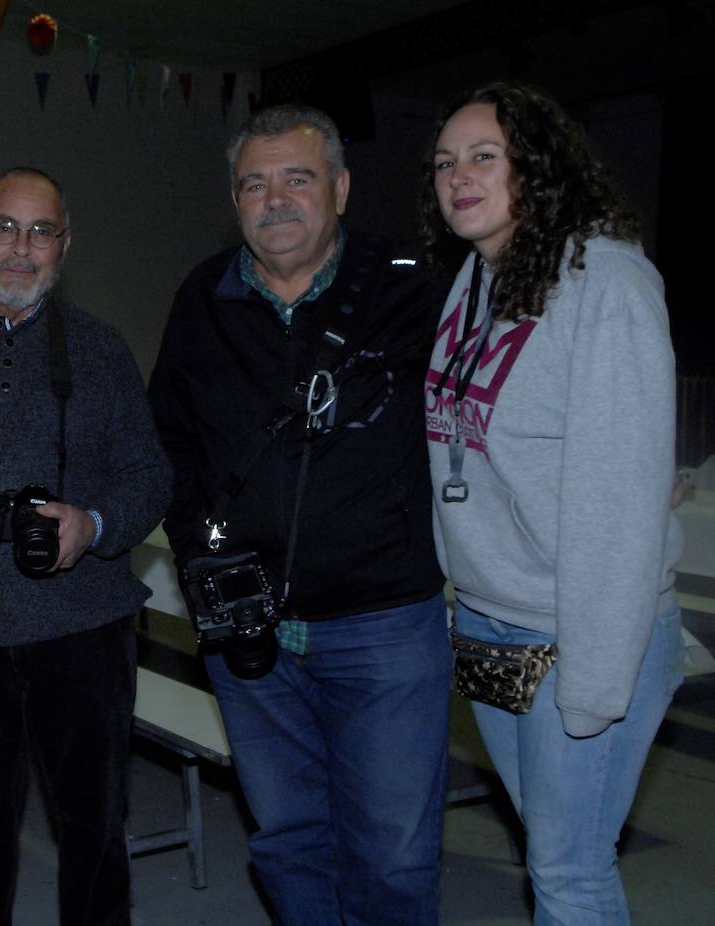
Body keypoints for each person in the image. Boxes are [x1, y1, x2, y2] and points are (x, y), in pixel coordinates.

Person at [148, 104, 452, 925]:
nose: (275, 199)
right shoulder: (203, 297)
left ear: (341, 189)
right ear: (235, 199)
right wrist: (199, 553)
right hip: (250, 636)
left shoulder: (409, 293)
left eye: (298, 178)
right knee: (286, 841)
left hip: (385, 625)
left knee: (390, 854)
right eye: (255, 182)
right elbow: (168, 443)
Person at [423, 81, 684, 924]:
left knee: (569, 870)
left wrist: (595, 686)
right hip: (496, 623)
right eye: (444, 163)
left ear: (538, 167)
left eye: (484, 157)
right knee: (553, 846)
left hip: (583, 633)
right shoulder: (478, 279)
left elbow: (621, 503)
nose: (458, 177)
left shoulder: (605, 285)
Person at [0, 167, 169, 926]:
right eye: (6, 228)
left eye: (41, 231)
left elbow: (150, 473)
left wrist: (95, 524)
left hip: (86, 626)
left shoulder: (103, 349)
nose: (22, 248)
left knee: (94, 826)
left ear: (64, 246)